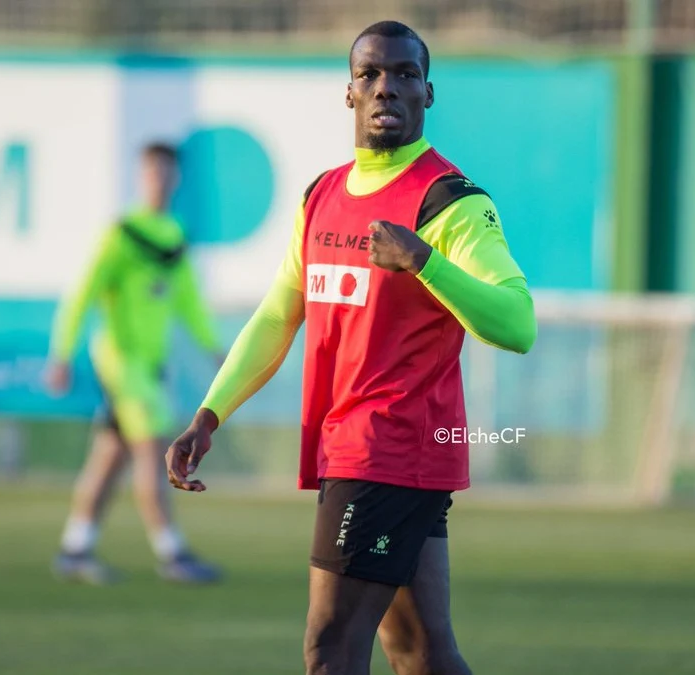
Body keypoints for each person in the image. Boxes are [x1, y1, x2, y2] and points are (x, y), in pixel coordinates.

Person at [166, 21, 537, 675]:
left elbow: (517, 323)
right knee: (420, 652)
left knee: (330, 644)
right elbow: (281, 313)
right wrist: (210, 412)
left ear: (428, 92)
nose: (385, 87)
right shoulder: (321, 196)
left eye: (402, 74)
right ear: (348, 93)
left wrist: (425, 261)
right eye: (370, 74)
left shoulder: (448, 202)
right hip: (365, 451)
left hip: (390, 447)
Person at [47, 142, 223, 585]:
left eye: (166, 172)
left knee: (110, 455)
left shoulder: (174, 236)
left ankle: (75, 546)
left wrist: (214, 348)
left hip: (152, 364)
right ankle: (172, 553)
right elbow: (82, 294)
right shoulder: (123, 233)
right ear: (139, 177)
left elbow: (188, 302)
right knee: (154, 449)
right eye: (151, 172)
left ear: (175, 178)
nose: (159, 180)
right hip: (123, 363)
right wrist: (61, 354)